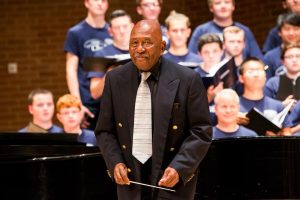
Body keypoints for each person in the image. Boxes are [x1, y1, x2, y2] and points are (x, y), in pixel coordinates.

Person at [95, 19, 212, 200]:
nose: (140, 49)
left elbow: (201, 131)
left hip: (171, 181)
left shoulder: (188, 79)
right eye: (134, 43)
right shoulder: (114, 79)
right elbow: (104, 130)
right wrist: (115, 162)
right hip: (130, 180)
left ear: (162, 46)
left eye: (147, 42)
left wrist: (180, 167)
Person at [64, 0, 112, 130]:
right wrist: (77, 105)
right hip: (86, 102)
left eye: (103, 0)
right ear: (86, 3)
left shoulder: (113, 32)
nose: (100, 3)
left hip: (109, 102)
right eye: (96, 0)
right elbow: (71, 70)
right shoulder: (76, 33)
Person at [188, 0, 262, 59]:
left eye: (227, 2)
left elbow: (257, 58)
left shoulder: (245, 30)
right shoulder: (201, 31)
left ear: (233, 6)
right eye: (218, 3)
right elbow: (192, 57)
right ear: (211, 8)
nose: (223, 6)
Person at [237, 57, 291, 136]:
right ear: (241, 78)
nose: (256, 75)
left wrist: (278, 136)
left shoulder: (278, 106)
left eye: (259, 70)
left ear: (265, 76)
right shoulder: (233, 107)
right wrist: (230, 120)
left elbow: (287, 134)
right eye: (250, 71)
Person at [88, 9, 134, 100]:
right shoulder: (100, 54)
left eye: (125, 26)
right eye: (117, 28)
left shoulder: (141, 50)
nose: (122, 31)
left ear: (132, 27)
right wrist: (109, 74)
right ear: (110, 31)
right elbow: (94, 93)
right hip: (114, 107)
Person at [263, 12, 300, 78]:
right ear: (279, 32)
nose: (291, 33)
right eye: (287, 29)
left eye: (295, 29)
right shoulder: (269, 57)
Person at [194, 33, 224, 103]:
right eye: (206, 52)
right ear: (199, 54)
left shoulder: (228, 70)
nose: (211, 56)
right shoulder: (193, 76)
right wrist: (210, 96)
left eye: (215, 51)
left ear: (222, 51)